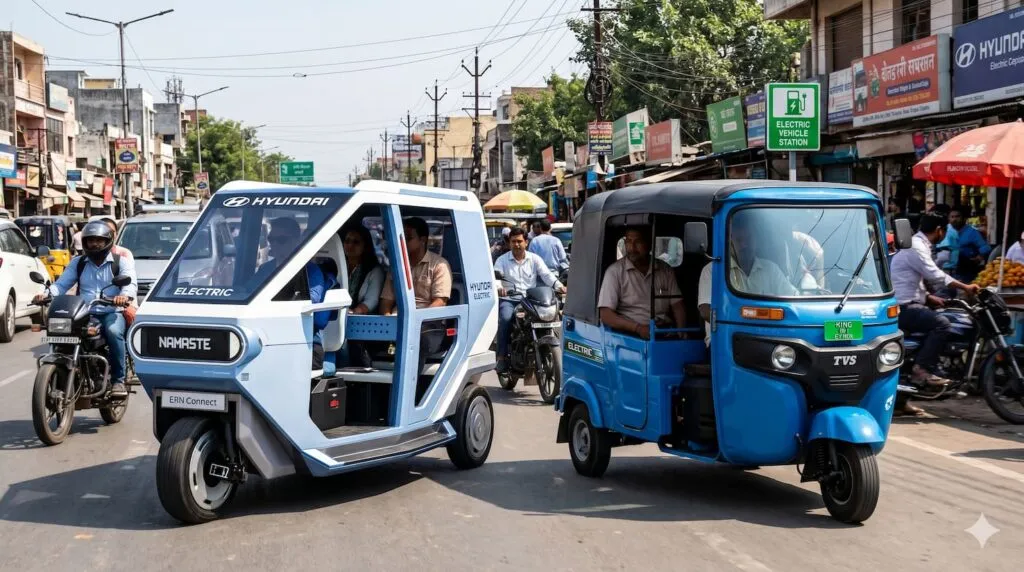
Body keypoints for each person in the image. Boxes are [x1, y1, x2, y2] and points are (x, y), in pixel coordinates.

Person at [34, 222, 136, 397]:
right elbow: (62, 284)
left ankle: (118, 380)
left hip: (111, 312)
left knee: (113, 331)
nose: (95, 244)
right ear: (85, 242)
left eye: (99, 240)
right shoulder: (78, 263)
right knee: (64, 334)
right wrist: (46, 294)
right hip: (84, 313)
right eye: (90, 241)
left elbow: (130, 284)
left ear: (108, 241)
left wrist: (123, 297)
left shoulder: (121, 262)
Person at [890, 213, 980, 387]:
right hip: (904, 307)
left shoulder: (918, 244)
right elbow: (936, 275)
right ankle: (922, 369)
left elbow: (911, 280)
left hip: (909, 302)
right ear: (939, 230)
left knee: (943, 315)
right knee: (943, 324)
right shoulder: (916, 246)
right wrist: (966, 287)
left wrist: (929, 298)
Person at [262, 218, 332, 369]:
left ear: (296, 241)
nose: (274, 244)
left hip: (304, 344)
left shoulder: (311, 272)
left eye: (281, 240)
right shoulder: (264, 270)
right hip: (268, 340)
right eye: (271, 239)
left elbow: (308, 302)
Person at [494, 227, 565, 372]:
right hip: (511, 299)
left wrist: (559, 286)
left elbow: (546, 275)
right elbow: (495, 278)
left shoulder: (534, 259)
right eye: (513, 241)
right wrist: (500, 287)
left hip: (531, 299)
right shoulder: (502, 260)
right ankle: (501, 357)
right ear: (509, 243)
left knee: (549, 317)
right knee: (505, 318)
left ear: (526, 242)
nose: (517, 244)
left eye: (520, 241)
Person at [598, 227, 685, 340]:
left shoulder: (665, 270)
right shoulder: (614, 272)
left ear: (649, 244)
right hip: (630, 336)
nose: (632, 248)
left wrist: (681, 332)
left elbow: (677, 305)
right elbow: (606, 315)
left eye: (638, 242)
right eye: (628, 241)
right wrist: (638, 328)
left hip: (664, 332)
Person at [380, 217, 452, 313]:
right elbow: (386, 301)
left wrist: (418, 322)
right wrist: (387, 320)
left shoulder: (439, 265)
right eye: (402, 238)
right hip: (398, 319)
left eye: (408, 238)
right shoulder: (397, 266)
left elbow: (440, 302)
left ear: (422, 240)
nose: (403, 242)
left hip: (427, 322)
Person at [729, 216, 799, 297]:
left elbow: (792, 297)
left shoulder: (771, 269)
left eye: (749, 239)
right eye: (739, 240)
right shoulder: (716, 269)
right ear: (730, 243)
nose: (744, 245)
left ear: (756, 241)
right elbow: (711, 307)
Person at [341, 224, 385, 315]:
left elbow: (372, 300)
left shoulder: (374, 270)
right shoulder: (335, 266)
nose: (350, 245)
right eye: (347, 241)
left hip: (359, 319)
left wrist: (353, 312)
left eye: (356, 242)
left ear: (365, 246)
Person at [949, 206, 991, 282]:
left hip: (967, 270)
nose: (954, 219)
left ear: (964, 218)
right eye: (952, 217)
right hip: (950, 270)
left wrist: (979, 257)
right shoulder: (946, 231)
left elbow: (985, 247)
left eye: (957, 216)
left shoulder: (972, 232)